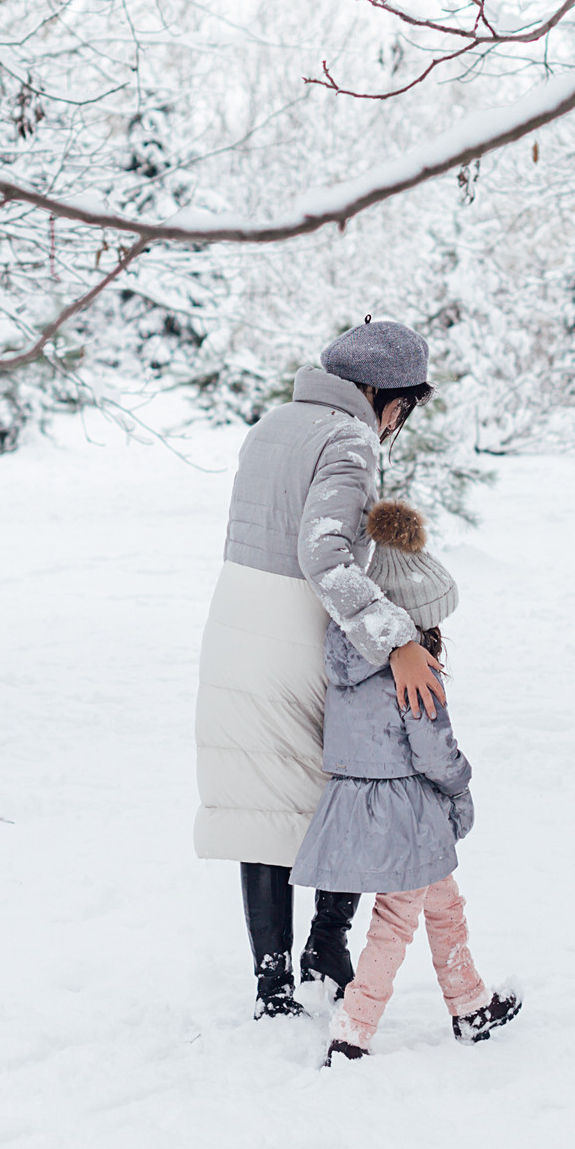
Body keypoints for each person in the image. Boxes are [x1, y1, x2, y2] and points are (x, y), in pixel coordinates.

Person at [195, 319, 449, 1019]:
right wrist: (397, 639)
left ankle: (273, 984)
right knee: (360, 781)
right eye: (403, 406)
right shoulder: (349, 438)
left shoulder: (271, 424)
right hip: (296, 629)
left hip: (235, 619)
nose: (397, 422)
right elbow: (324, 553)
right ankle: (326, 945)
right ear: (381, 393)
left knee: (263, 800)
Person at [291, 499, 521, 1064]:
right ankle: (353, 1031)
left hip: (355, 806)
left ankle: (470, 1003)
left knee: (444, 905)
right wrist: (460, 787)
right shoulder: (416, 674)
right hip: (408, 816)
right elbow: (435, 752)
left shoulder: (343, 664)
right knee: (394, 922)